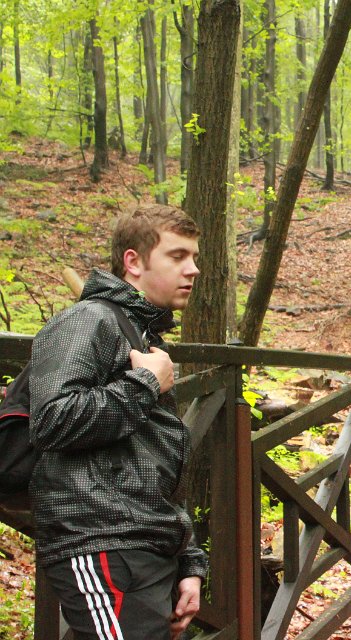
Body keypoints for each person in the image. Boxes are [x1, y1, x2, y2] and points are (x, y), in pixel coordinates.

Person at [30, 203, 208, 639]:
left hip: (141, 547)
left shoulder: (139, 332)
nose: (193, 269)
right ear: (133, 261)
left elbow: (152, 462)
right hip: (100, 541)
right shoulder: (88, 319)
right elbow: (51, 420)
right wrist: (145, 383)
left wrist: (188, 560)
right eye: (177, 256)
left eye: (194, 257)